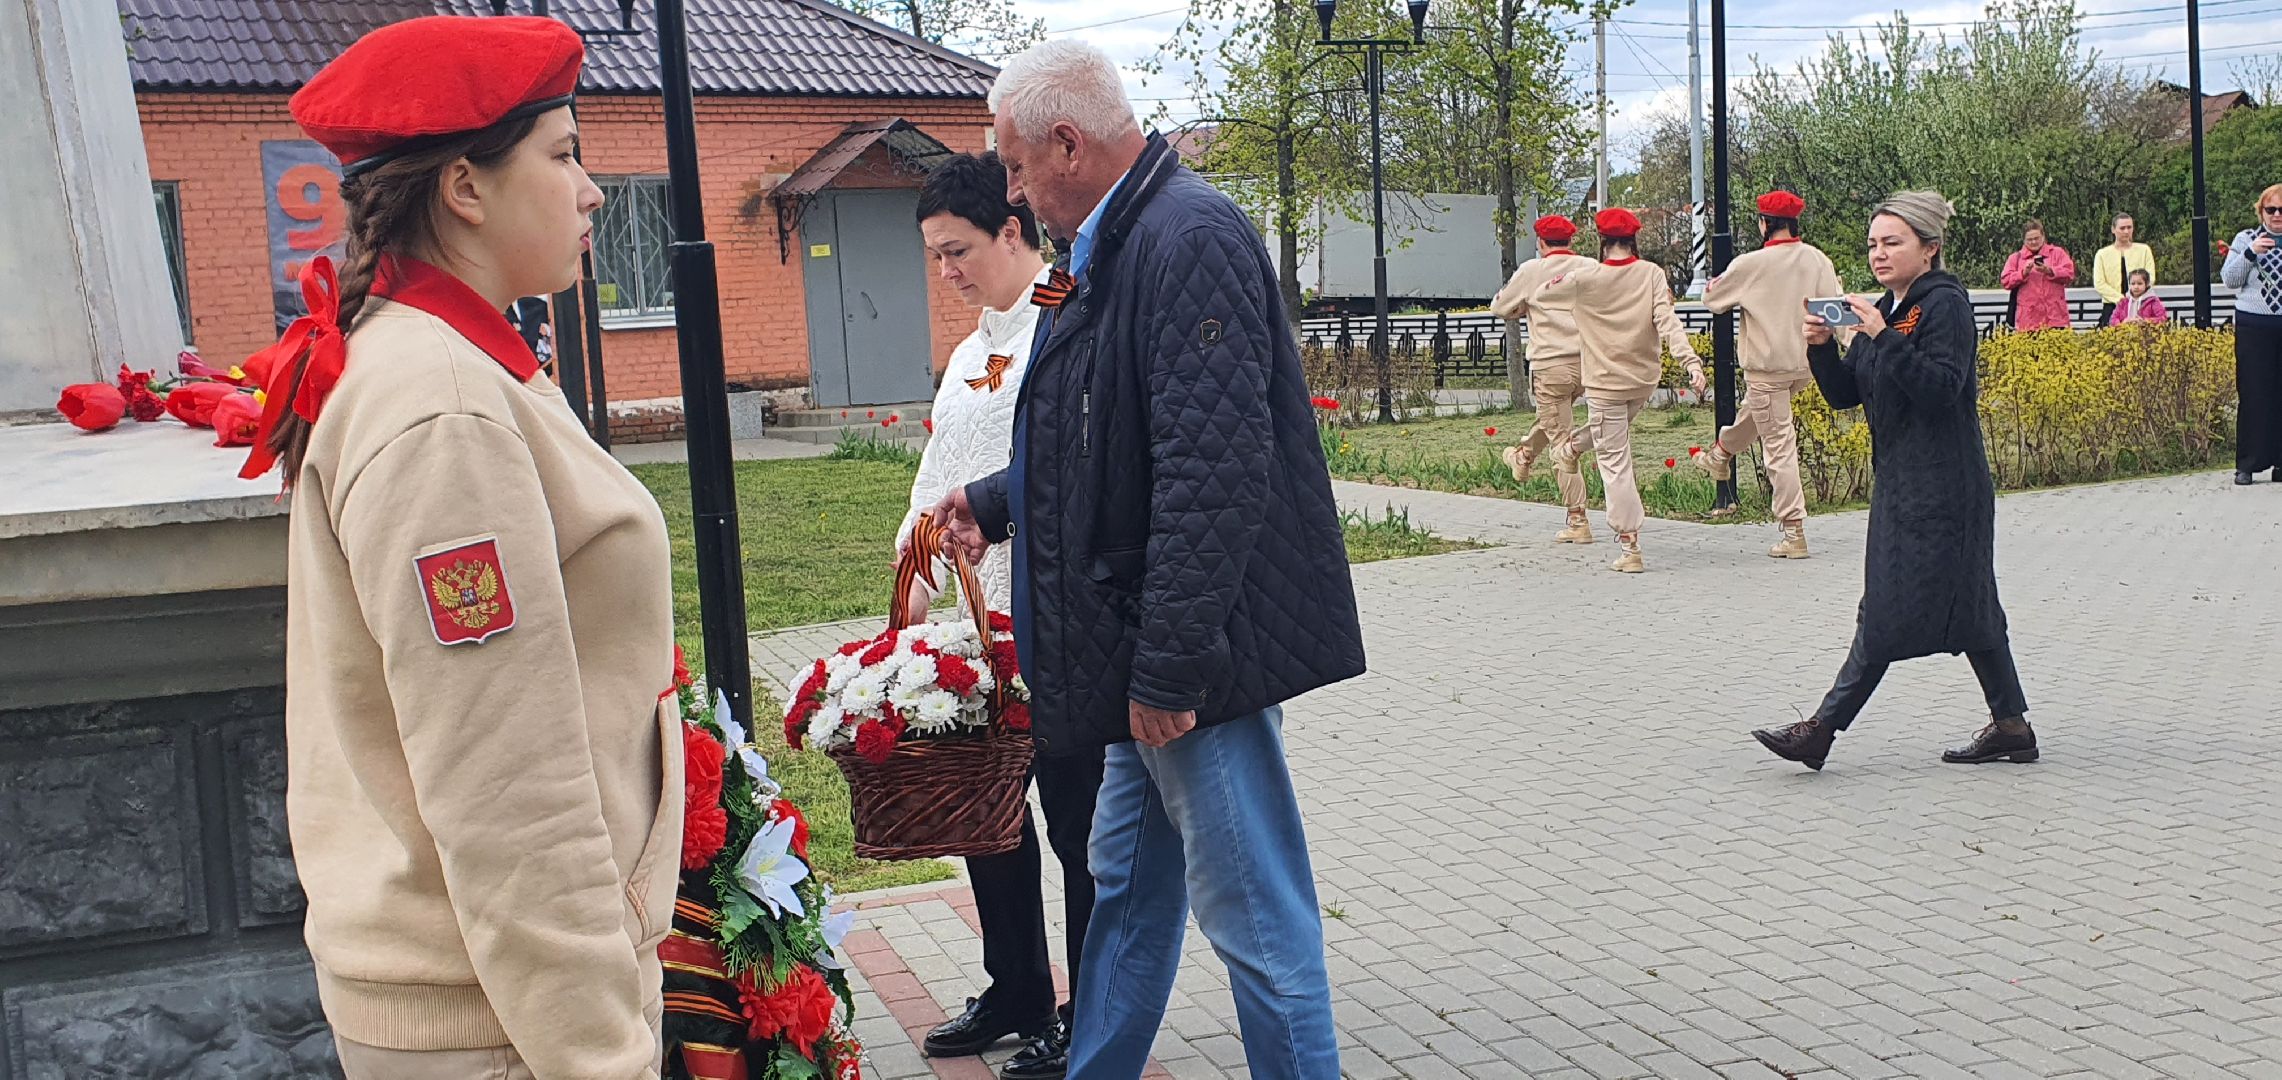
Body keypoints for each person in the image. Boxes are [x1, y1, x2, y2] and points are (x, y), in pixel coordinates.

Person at [233, 16, 680, 1079]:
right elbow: (505, 784)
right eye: (563, 155)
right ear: (465, 188)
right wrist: (600, 1055)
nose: (592, 192)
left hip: (493, 1001)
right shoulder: (444, 409)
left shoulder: (438, 362)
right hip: (509, 1025)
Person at [928, 40, 1365, 1080]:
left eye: (1017, 167)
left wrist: (1170, 672)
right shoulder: (1105, 245)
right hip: (1130, 647)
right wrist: (993, 501)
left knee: (1253, 916)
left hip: (1185, 664)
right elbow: (1095, 436)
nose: (1013, 191)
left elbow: (1212, 476)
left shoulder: (1186, 237)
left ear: (1066, 144)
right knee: (1122, 891)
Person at [897, 152, 1101, 1080]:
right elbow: (939, 470)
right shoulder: (974, 350)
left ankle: (1091, 1010)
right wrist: (913, 557)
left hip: (1058, 620)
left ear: (1012, 232)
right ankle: (1016, 986)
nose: (946, 272)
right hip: (979, 630)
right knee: (991, 817)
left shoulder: (1067, 321)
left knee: (1076, 826)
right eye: (935, 257)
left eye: (959, 251)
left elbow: (1076, 464)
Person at [1751, 191, 2037, 771]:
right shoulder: (1885, 307)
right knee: (1973, 608)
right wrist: (1820, 348)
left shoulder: (1945, 305)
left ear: (1929, 248)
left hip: (1946, 488)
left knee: (1886, 607)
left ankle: (1822, 729)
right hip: (1901, 485)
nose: (1878, 254)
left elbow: (1941, 387)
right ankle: (2012, 726)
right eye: (1873, 244)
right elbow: (1845, 394)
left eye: (1892, 242)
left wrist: (1883, 335)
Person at [1538, 207, 1706, 574]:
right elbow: (1668, 322)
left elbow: (1544, 294)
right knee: (1609, 434)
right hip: (1643, 381)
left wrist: (1568, 287)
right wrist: (1691, 363)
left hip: (1604, 383)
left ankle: (1630, 546)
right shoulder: (1651, 274)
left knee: (1615, 462)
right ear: (1633, 239)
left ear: (1601, 240)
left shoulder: (1586, 278)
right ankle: (1571, 449)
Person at [1698, 190, 1843, 558]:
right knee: (1761, 412)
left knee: (1778, 445)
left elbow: (1712, 298)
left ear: (1764, 223)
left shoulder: (1752, 263)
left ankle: (1793, 531)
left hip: (1766, 366)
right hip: (1805, 364)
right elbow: (1836, 309)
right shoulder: (1817, 259)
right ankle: (1721, 452)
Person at [1490, 214, 1597, 542]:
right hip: (1589, 361)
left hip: (1551, 365)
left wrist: (1522, 308)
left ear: (1540, 242)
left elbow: (1499, 306)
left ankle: (1577, 520)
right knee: (1553, 422)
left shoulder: (1531, 270)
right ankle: (1523, 456)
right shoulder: (1589, 266)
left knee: (1561, 441)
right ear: (1571, 240)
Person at [2221, 184, 2282, 485]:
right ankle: (2248, 463)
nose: (2277, 215)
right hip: (2253, 325)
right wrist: (2250, 253)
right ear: (2261, 212)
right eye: (2271, 209)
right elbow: (2229, 279)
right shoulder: (2245, 238)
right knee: (2254, 392)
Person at [1999, 219, 2076, 332]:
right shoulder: (2015, 258)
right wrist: (2023, 273)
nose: (2033, 242)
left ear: (2043, 237)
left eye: (2036, 238)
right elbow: (2005, 281)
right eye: (2030, 239)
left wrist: (2050, 271)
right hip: (2028, 321)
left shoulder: (2058, 253)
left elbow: (2069, 273)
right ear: (2024, 240)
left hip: (2055, 318)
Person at [2093, 213, 2156, 325]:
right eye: (2122, 228)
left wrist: (2136, 295)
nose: (2126, 231)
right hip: (2112, 305)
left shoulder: (2144, 250)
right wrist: (2122, 300)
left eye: (2129, 227)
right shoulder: (2102, 254)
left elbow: (2150, 277)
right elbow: (2099, 283)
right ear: (2113, 229)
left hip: (2141, 304)